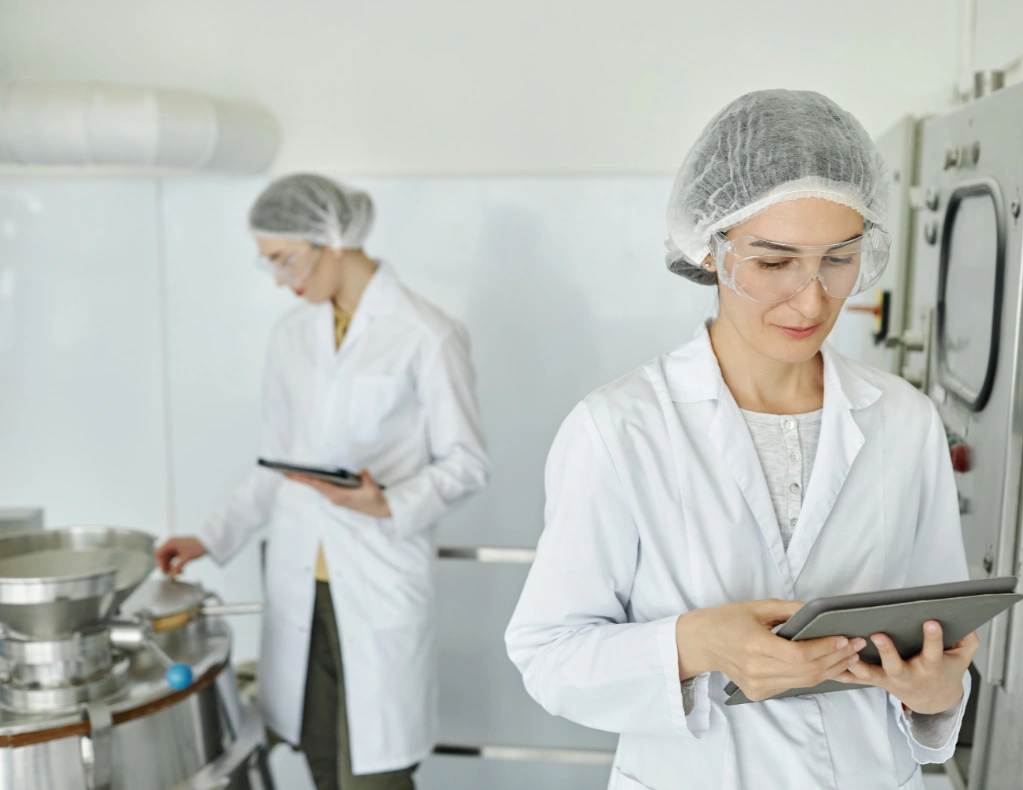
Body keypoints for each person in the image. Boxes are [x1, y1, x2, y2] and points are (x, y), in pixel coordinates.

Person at [504, 90, 974, 790]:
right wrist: (694, 644)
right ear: (709, 250)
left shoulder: (903, 420)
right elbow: (549, 656)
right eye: (773, 262)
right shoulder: (620, 427)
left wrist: (936, 698)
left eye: (837, 259)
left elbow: (938, 634)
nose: (811, 299)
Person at [156, 174, 490, 790]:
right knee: (318, 755)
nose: (282, 279)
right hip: (300, 583)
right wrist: (209, 537)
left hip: (376, 574)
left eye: (286, 259)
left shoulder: (426, 333)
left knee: (377, 774)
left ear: (333, 240)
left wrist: (386, 502)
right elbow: (277, 463)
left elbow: (466, 463)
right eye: (270, 265)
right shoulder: (291, 336)